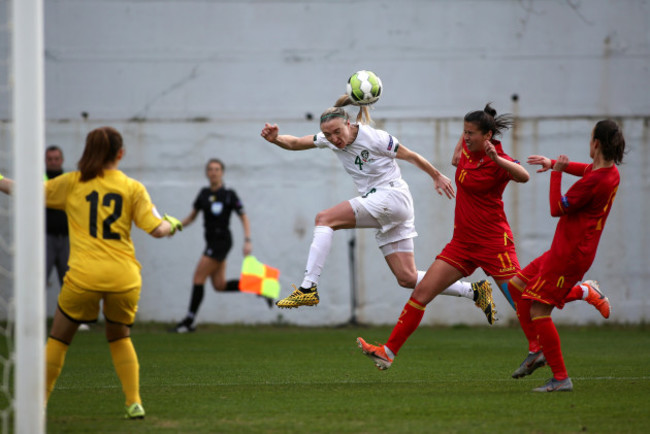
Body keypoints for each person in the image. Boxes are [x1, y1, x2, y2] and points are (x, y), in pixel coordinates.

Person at [0, 126, 183, 419]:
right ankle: (134, 403)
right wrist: (172, 223)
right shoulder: (132, 187)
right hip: (124, 279)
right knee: (120, 337)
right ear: (120, 154)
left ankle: (39, 405)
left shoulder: (71, 183)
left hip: (84, 277)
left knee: (59, 339)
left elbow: (23, 191)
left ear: (89, 150)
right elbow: (158, 230)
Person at [260, 96, 497, 322]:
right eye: (328, 135)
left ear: (349, 124)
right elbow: (295, 143)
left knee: (324, 219)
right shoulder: (329, 139)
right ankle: (475, 292)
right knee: (406, 277)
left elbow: (410, 155)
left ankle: (307, 287)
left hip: (391, 196)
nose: (333, 138)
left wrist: (436, 175)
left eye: (337, 132)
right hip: (389, 206)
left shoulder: (374, 137)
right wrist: (275, 139)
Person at [356, 103, 531, 370]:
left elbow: (524, 176)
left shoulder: (498, 160)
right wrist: (465, 139)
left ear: (488, 136)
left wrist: (497, 159)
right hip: (462, 244)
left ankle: (580, 297)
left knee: (523, 301)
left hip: (494, 243)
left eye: (471, 133)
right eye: (464, 132)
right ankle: (387, 352)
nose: (466, 137)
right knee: (421, 292)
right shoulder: (467, 155)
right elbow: (454, 160)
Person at [510, 119, 624, 392]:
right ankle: (538, 349)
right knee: (517, 286)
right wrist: (554, 163)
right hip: (564, 248)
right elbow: (587, 169)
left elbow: (556, 208)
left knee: (538, 309)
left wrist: (556, 174)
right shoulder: (608, 172)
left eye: (590, 138)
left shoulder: (595, 181)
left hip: (570, 255)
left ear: (596, 143)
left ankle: (561, 378)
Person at [171, 158, 266, 334]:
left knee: (198, 277)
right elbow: (192, 217)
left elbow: (243, 217)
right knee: (219, 285)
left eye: (217, 169)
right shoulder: (203, 194)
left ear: (222, 173)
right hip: (211, 242)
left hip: (221, 242)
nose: (213, 172)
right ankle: (258, 285)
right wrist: (175, 227)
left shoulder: (229, 194)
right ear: (207, 173)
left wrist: (247, 240)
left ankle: (189, 321)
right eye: (210, 169)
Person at [45, 145, 69, 287]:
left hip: (66, 239)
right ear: (45, 161)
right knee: (38, 280)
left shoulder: (69, 181)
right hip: (45, 238)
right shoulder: (38, 180)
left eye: (56, 159)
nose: (53, 162)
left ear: (62, 160)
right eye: (50, 159)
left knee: (69, 283)